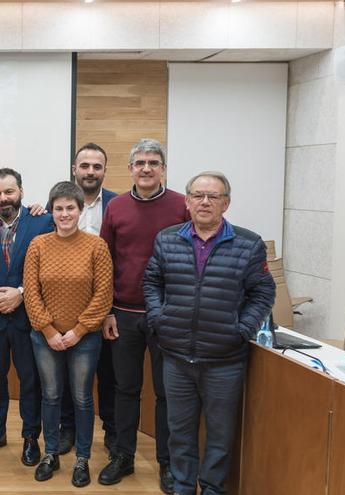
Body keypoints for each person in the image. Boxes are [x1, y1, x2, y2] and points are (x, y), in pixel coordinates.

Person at [143, 171, 275, 495]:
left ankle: (214, 489)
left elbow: (263, 293)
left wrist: (242, 329)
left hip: (224, 361)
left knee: (220, 434)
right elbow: (151, 282)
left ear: (225, 203)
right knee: (180, 432)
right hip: (175, 358)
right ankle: (184, 487)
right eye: (198, 195)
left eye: (212, 196)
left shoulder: (249, 244)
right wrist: (159, 317)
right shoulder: (166, 239)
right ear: (186, 201)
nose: (204, 202)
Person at [98, 139, 189, 494]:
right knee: (125, 389)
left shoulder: (182, 205)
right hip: (123, 315)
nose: (146, 168)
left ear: (163, 168)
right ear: (131, 168)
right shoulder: (117, 207)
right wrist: (106, 310)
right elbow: (105, 263)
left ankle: (167, 464)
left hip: (168, 316)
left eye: (153, 162)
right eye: (140, 163)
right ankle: (123, 456)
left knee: (166, 394)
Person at [23, 181, 113, 487]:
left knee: (82, 398)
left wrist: (78, 331)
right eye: (58, 208)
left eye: (70, 208)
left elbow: (103, 295)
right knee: (50, 397)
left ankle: (82, 460)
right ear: (51, 211)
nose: (64, 214)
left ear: (80, 210)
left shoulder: (96, 246)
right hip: (45, 338)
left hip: (84, 338)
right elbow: (31, 294)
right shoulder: (38, 245)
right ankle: (50, 454)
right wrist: (49, 330)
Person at [0, 168, 52, 468]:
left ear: (21, 191)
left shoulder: (43, 220)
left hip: (27, 317)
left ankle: (30, 437)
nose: (4, 198)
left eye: (9, 192)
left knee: (30, 380)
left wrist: (21, 292)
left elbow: (48, 269)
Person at [59, 143, 119, 455]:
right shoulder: (58, 203)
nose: (90, 172)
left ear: (104, 171)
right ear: (74, 169)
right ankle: (67, 429)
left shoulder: (118, 205)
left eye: (97, 166)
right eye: (85, 166)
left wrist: (108, 309)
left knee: (107, 374)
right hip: (65, 306)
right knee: (69, 377)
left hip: (103, 305)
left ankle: (110, 430)